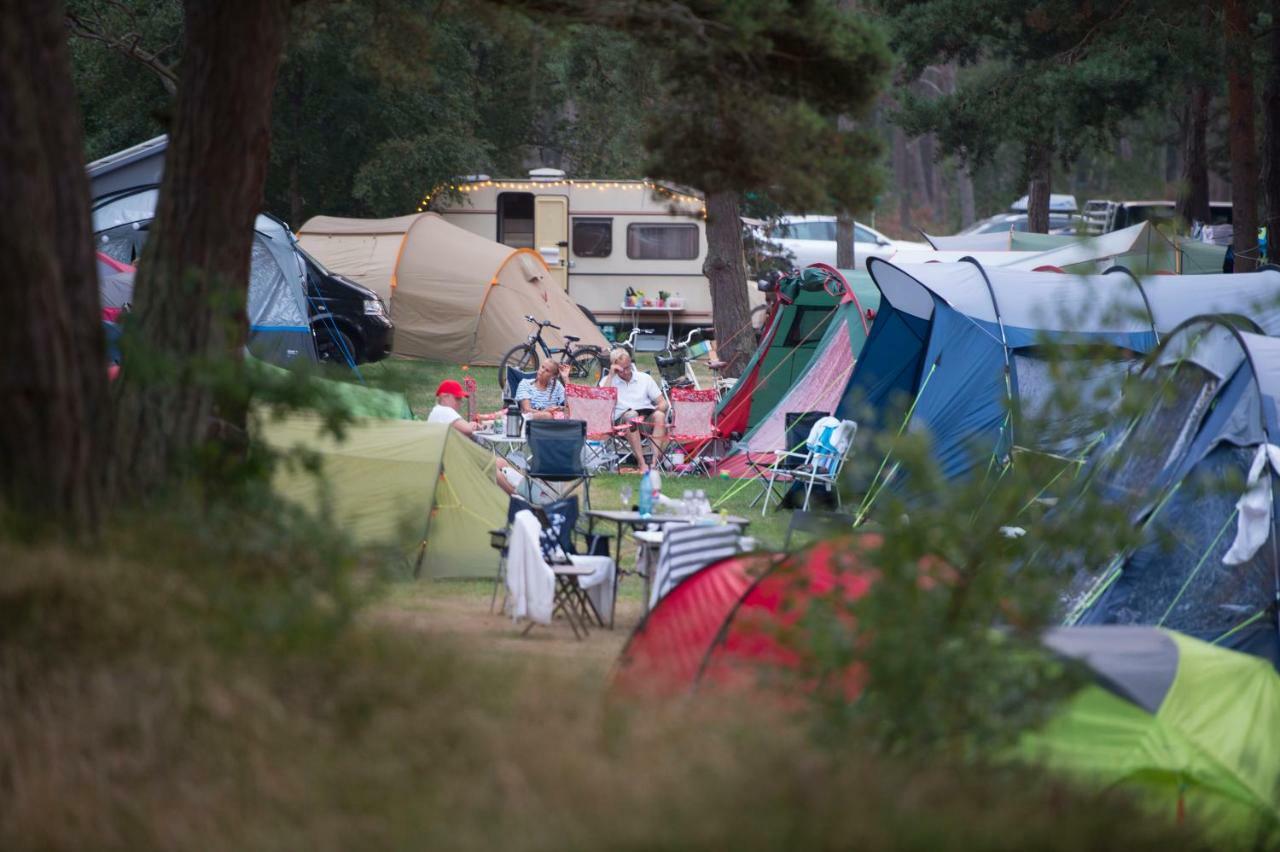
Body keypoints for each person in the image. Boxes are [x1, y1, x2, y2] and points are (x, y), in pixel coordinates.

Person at [428, 379, 522, 496]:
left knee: (500, 462)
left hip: (447, 460)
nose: (460, 402)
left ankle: (518, 493)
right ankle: (517, 496)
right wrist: (472, 426)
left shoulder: (437, 412)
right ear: (444, 397)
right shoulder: (444, 411)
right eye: (457, 398)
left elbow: (463, 432)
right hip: (451, 464)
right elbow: (468, 429)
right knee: (491, 465)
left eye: (460, 399)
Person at [600, 348, 666, 474]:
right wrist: (611, 375)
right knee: (631, 415)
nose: (626, 371)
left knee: (659, 415)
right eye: (622, 369)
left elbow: (663, 403)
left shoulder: (644, 378)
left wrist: (655, 410)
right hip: (621, 423)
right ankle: (642, 464)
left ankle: (653, 463)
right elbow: (602, 403)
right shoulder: (607, 381)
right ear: (614, 366)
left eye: (628, 367)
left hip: (644, 420)